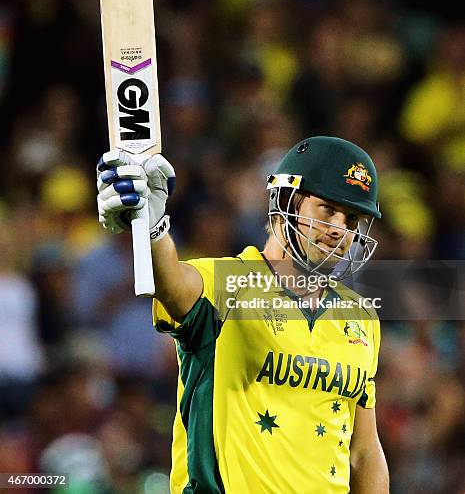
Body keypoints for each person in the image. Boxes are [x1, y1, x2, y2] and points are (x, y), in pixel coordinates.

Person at [97, 135, 389, 493]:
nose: (339, 230)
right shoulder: (225, 285)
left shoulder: (360, 317)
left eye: (353, 218)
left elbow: (363, 452)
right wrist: (151, 228)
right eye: (327, 209)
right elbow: (170, 283)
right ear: (286, 201)